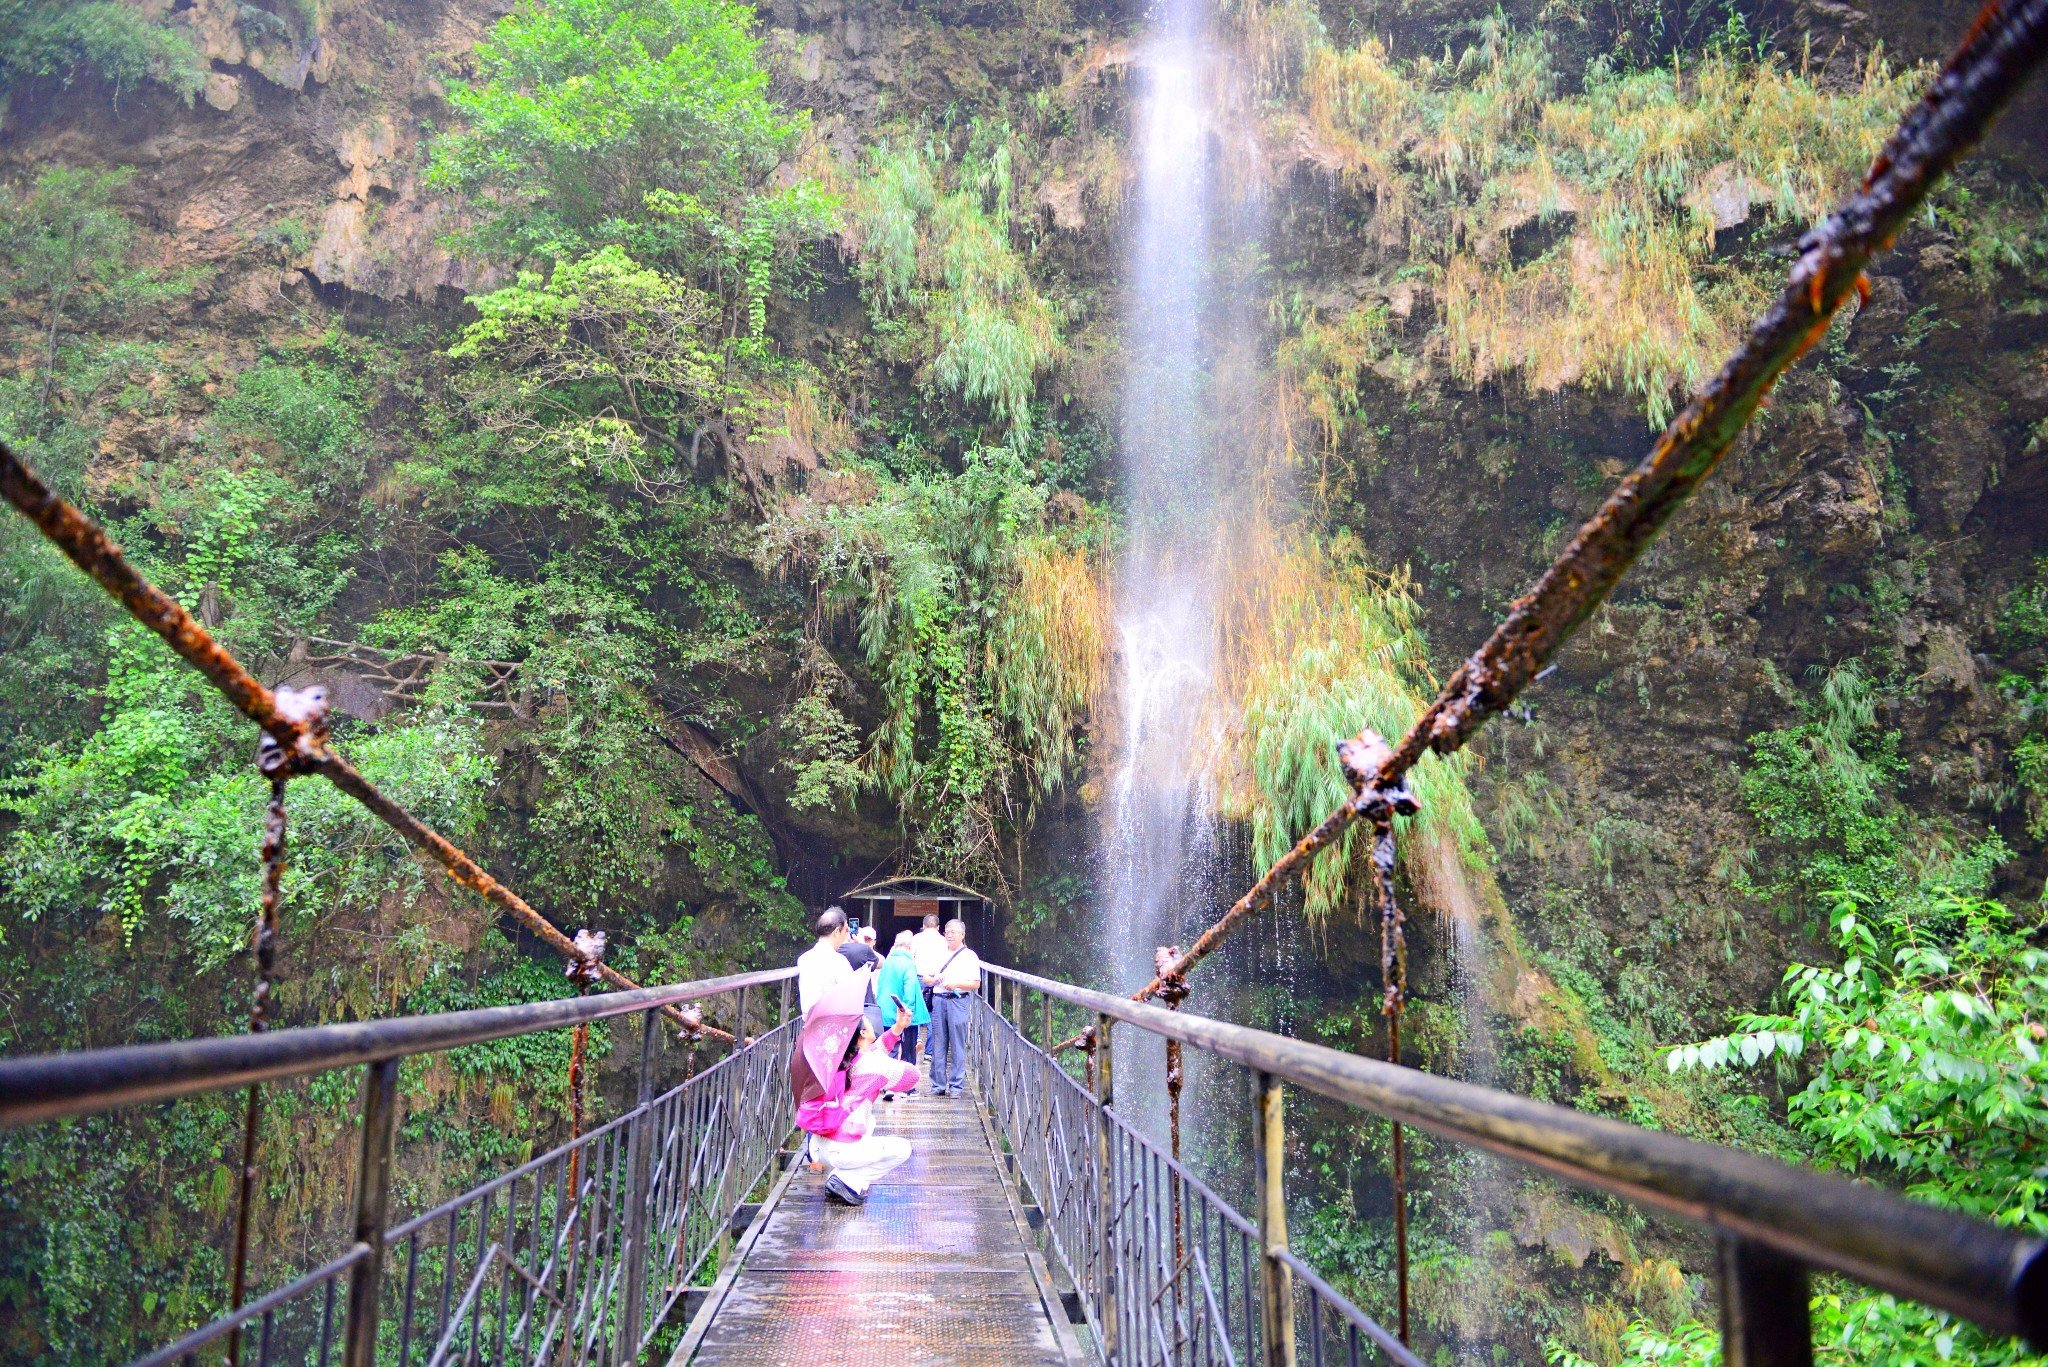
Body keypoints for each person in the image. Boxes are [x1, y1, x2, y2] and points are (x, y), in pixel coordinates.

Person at [798, 998, 920, 1205]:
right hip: (844, 1150)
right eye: (868, 1022)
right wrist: (891, 1063)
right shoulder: (873, 1064)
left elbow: (874, 1052)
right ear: (863, 1032)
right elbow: (912, 1076)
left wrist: (897, 1029)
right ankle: (846, 1179)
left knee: (869, 1123)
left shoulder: (837, 1059)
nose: (872, 1023)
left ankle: (841, 1179)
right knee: (903, 1149)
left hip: (819, 1147)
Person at [925, 919, 982, 1098]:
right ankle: (938, 1085)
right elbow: (926, 978)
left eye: (953, 932)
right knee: (938, 1043)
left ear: (962, 935)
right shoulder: (938, 953)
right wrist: (934, 979)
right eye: (947, 931)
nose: (949, 935)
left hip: (958, 1001)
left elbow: (976, 984)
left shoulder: (969, 956)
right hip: (938, 1000)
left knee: (957, 1044)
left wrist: (956, 984)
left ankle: (956, 1086)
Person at [875, 930, 930, 1081]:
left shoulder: (887, 962)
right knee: (908, 1051)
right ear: (909, 947)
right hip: (902, 1014)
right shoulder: (908, 963)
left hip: (885, 1011)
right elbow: (910, 988)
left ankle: (887, 1084)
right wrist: (908, 1011)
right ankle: (907, 1086)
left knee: (890, 1048)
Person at [798, 906, 856, 1016]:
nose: (847, 936)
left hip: (810, 1022)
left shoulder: (803, 959)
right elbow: (852, 999)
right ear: (837, 932)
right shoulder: (840, 962)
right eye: (846, 930)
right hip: (833, 1022)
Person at [839, 920, 884, 1033]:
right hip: (862, 1003)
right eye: (865, 938)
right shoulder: (862, 950)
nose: (866, 941)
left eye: (868, 939)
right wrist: (862, 945)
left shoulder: (834, 950)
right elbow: (881, 962)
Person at [911, 912, 947, 1015]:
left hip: (919, 979)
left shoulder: (915, 938)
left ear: (923, 926)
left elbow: (910, 960)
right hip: (938, 980)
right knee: (934, 1013)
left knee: (917, 1011)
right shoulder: (944, 941)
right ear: (938, 927)